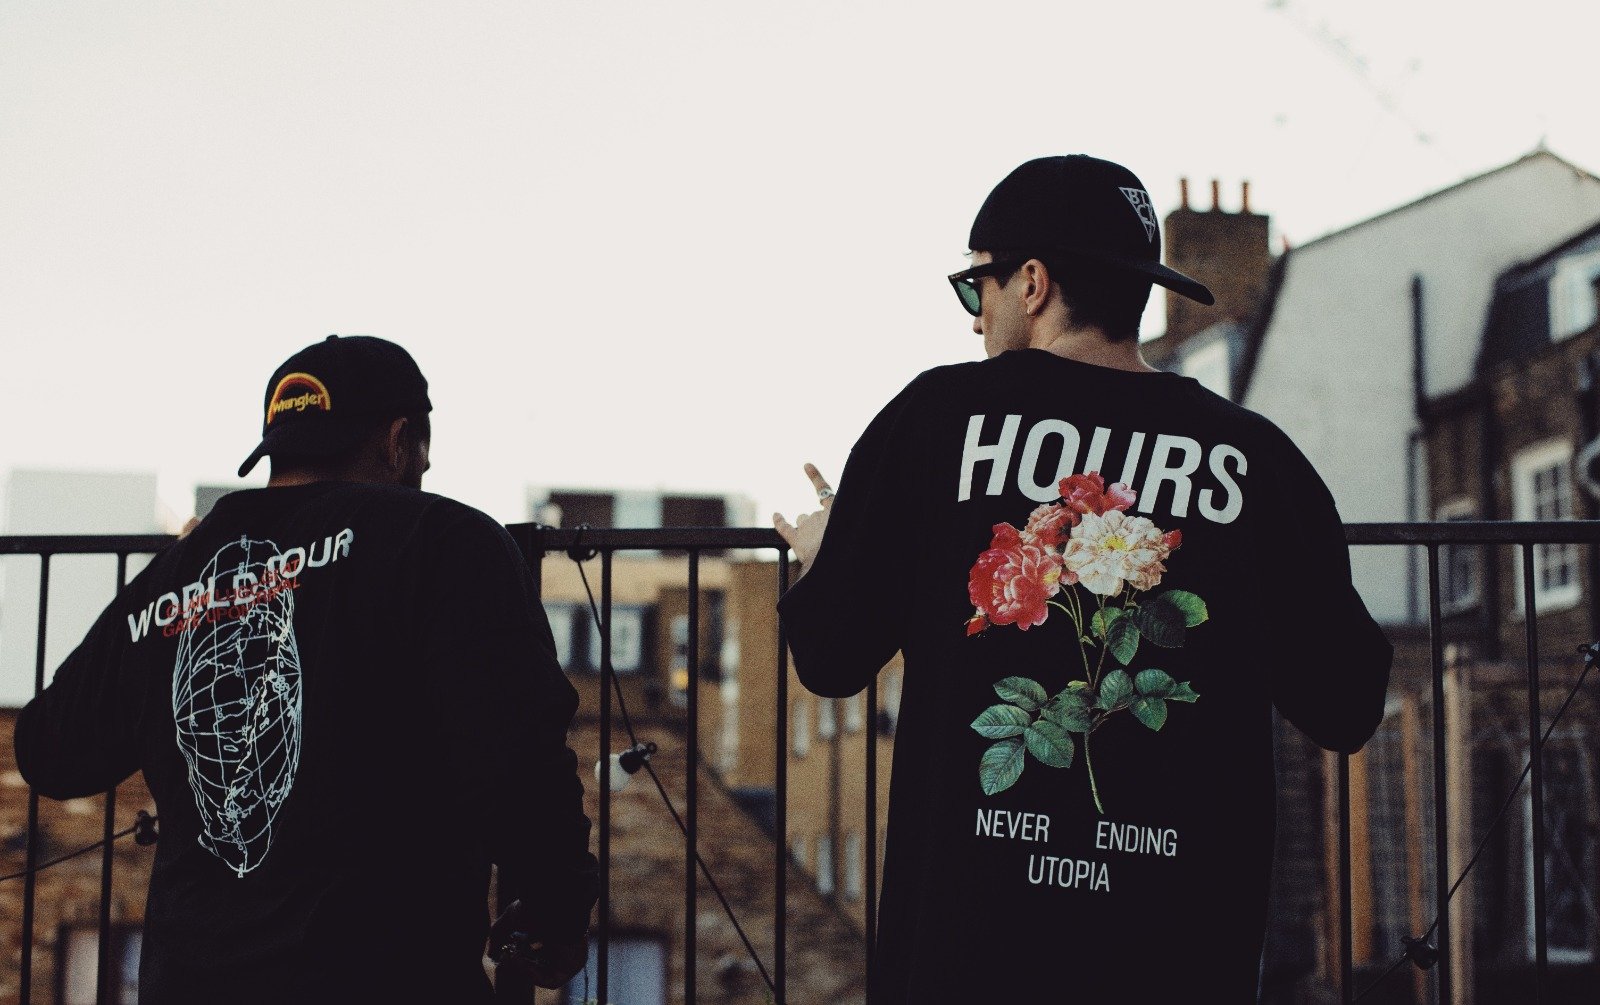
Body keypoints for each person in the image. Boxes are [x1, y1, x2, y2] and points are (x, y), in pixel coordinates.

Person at [773, 156, 1393, 1003]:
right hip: (1179, 959)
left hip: (967, 958)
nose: (973, 317)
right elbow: (1347, 700)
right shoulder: (1257, 460)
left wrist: (824, 547)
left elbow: (830, 656)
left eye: (974, 288)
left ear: (1031, 282)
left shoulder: (937, 420)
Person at [15, 335, 596, 1002]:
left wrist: (168, 602)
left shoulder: (182, 573)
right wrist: (556, 907)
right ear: (400, 440)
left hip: (192, 982)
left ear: (276, 447)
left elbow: (51, 751)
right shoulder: (442, 538)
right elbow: (516, 751)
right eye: (422, 460)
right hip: (384, 976)